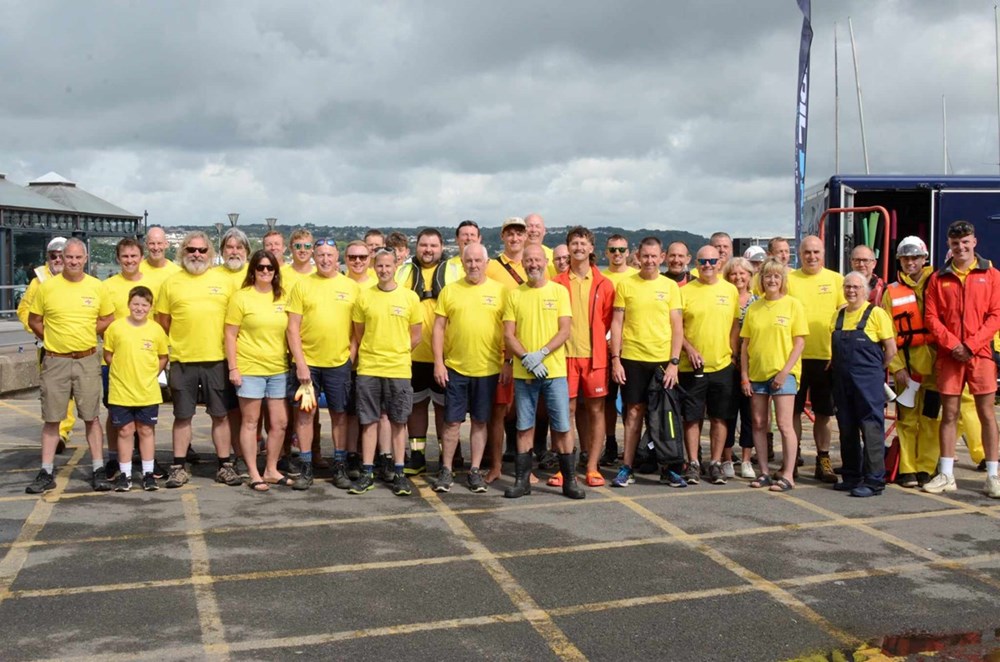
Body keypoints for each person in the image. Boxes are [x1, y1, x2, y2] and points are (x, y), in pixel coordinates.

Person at [25, 239, 116, 494]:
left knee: (91, 417)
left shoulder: (97, 287)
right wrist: (53, 338)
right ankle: (46, 471)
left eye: (78, 258)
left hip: (87, 359)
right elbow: (34, 320)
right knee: (52, 418)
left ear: (85, 259)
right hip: (56, 360)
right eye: (69, 257)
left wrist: (87, 331)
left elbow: (108, 317)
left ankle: (98, 468)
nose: (73, 262)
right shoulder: (47, 288)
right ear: (62, 259)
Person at [155, 231, 241, 488]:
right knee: (182, 416)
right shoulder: (171, 283)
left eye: (202, 251)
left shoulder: (224, 282)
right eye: (191, 250)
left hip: (217, 359)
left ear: (210, 254)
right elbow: (162, 323)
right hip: (183, 360)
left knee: (221, 415)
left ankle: (225, 465)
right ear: (182, 252)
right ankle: (179, 466)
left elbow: (234, 323)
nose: (196, 255)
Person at [923, 220, 1000, 497]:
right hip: (950, 355)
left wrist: (970, 345)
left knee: (987, 415)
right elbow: (931, 318)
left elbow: (996, 316)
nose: (961, 247)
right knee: (950, 414)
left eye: (965, 242)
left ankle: (993, 476)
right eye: (955, 243)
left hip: (980, 355)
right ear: (949, 245)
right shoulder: (937, 278)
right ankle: (946, 474)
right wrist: (954, 344)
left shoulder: (992, 275)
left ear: (974, 242)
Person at [502, 244, 581, 499]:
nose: (533, 264)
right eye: (528, 260)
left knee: (562, 426)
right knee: (524, 427)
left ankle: (570, 480)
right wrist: (526, 357)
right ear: (522, 263)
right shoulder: (515, 294)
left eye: (537, 259)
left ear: (544, 261)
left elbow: (564, 330)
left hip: (554, 372)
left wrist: (542, 354)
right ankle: (522, 481)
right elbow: (508, 334)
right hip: (525, 373)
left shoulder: (558, 292)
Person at [431, 243, 507, 493]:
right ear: (462, 263)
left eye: (478, 261)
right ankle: (446, 469)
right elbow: (439, 328)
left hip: (487, 370)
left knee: (480, 422)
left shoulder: (501, 292)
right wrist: (439, 363)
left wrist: (507, 362)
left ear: (486, 263)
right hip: (456, 369)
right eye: (469, 261)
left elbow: (509, 331)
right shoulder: (450, 291)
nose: (473, 265)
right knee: (451, 423)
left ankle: (474, 470)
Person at [609, 237, 684, 488]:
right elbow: (617, 324)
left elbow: (677, 327)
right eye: (646, 256)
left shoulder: (670, 287)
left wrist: (674, 362)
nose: (650, 261)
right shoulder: (626, 285)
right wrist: (616, 359)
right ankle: (627, 467)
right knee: (633, 414)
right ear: (638, 257)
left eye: (654, 256)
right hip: (632, 358)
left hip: (662, 360)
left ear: (661, 257)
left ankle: (668, 468)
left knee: (663, 416)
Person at [286, 237, 360, 490]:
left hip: (339, 363)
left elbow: (357, 331)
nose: (325, 259)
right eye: (321, 255)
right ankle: (306, 467)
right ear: (314, 258)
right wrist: (300, 363)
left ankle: (339, 466)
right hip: (309, 364)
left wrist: (349, 359)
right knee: (306, 415)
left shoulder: (351, 287)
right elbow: (292, 328)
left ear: (337, 257)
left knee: (339, 415)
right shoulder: (302, 286)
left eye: (330, 255)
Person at [348, 248, 423, 496]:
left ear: (395, 267)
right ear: (374, 266)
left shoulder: (410, 298)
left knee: (398, 422)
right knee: (368, 421)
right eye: (379, 266)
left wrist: (396, 351)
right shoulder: (364, 297)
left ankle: (399, 472)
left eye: (388, 266)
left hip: (399, 369)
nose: (383, 270)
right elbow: (359, 332)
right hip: (369, 367)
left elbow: (416, 336)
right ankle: (368, 471)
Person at [553, 227, 614, 488]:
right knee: (564, 411)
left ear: (591, 249)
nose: (578, 247)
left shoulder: (604, 283)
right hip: (564, 357)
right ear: (568, 248)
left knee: (596, 410)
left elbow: (607, 320)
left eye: (583, 243)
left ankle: (592, 466)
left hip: (594, 358)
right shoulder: (556, 283)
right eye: (574, 243)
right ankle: (563, 466)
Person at [225, 250, 291, 492]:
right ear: (252, 270)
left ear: (275, 272)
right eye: (261, 267)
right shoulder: (241, 297)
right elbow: (230, 335)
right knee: (251, 422)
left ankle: (271, 469)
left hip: (278, 369)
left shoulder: (283, 297)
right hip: (250, 367)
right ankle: (253, 472)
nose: (265, 271)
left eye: (270, 268)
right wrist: (234, 367)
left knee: (280, 423)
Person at [740, 258, 808, 492]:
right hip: (757, 374)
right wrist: (745, 375)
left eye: (776, 276)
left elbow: (799, 343)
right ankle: (765, 472)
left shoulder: (793, 305)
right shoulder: (754, 307)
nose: (771, 280)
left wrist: (784, 372)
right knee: (759, 423)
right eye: (767, 276)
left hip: (783, 374)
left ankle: (788, 474)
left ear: (782, 280)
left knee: (784, 424)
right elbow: (745, 345)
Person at [830, 272, 897, 497]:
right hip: (842, 382)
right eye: (847, 286)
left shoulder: (876, 314)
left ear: (865, 290)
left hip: (868, 382)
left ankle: (874, 480)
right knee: (846, 428)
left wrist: (875, 372)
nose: (851, 290)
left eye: (856, 287)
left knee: (871, 429)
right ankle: (851, 476)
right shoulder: (838, 315)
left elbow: (891, 350)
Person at [678, 245, 741, 485]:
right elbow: (676, 328)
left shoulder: (730, 290)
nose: (707, 265)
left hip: (722, 364)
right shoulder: (684, 291)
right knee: (692, 418)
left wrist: (733, 353)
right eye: (703, 261)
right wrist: (689, 349)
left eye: (712, 261)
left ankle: (714, 462)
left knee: (720, 417)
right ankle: (693, 462)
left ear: (719, 262)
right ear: (695, 263)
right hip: (691, 367)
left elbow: (735, 324)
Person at [787, 235, 845, 483]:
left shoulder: (836, 280)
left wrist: (837, 353)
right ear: (800, 254)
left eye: (816, 252)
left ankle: (823, 459)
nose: (812, 256)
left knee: (824, 414)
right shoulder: (789, 279)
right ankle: (793, 457)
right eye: (807, 252)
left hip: (825, 358)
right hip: (794, 358)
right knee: (793, 413)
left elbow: (844, 319)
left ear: (823, 253)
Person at [393, 228, 451, 475]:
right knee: (415, 407)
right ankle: (416, 456)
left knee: (443, 408)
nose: (428, 250)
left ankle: (445, 456)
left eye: (433, 246)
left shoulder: (454, 271)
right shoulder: (403, 271)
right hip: (412, 355)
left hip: (445, 355)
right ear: (417, 247)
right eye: (424, 245)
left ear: (441, 248)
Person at [103, 285, 169, 491]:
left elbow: (162, 357)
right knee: (124, 431)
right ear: (129, 304)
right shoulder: (115, 328)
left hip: (147, 390)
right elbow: (108, 355)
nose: (139, 308)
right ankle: (125, 474)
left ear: (150, 307)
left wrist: (149, 374)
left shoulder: (156, 329)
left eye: (144, 305)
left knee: (146, 430)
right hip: (121, 390)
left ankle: (148, 473)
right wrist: (124, 371)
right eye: (135, 304)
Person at [17, 236, 75, 453]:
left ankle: (62, 431)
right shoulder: (38, 282)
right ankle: (54, 427)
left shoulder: (78, 278)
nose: (58, 259)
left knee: (69, 391)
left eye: (63, 255)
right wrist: (40, 332)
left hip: (73, 344)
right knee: (51, 390)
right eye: (54, 256)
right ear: (47, 258)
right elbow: (24, 311)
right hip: (47, 345)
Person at [101, 238, 153, 477]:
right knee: (116, 414)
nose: (130, 260)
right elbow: (102, 321)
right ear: (118, 259)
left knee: (145, 420)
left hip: (144, 361)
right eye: (125, 256)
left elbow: (159, 320)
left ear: (141, 257)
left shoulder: (153, 283)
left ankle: (145, 461)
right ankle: (115, 459)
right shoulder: (107, 286)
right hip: (114, 361)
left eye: (134, 256)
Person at [484, 217, 529, 481]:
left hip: (531, 350)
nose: (514, 238)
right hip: (502, 350)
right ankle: (496, 466)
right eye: (510, 234)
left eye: (519, 234)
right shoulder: (491, 267)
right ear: (503, 237)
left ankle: (526, 468)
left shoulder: (536, 265)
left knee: (526, 411)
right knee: (499, 411)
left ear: (526, 237)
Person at [600, 234, 638, 466]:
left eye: (621, 250)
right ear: (606, 252)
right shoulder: (601, 278)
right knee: (607, 400)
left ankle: (631, 447)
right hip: (605, 347)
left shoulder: (636, 277)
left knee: (632, 402)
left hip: (632, 348)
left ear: (628, 252)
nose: (617, 254)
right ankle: (611, 442)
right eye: (613, 250)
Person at [723, 256, 758, 479]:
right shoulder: (723, 297)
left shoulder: (757, 301)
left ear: (750, 276)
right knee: (725, 413)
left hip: (752, 364)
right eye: (733, 273)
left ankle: (746, 460)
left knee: (750, 414)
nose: (738, 277)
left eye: (742, 273)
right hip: (726, 362)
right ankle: (726, 459)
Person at [140, 226, 181, 293]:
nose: (156, 248)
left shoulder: (177, 272)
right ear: (146, 245)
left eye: (159, 243)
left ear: (166, 244)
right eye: (152, 243)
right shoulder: (136, 270)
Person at [524, 212, 556, 276]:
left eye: (537, 226)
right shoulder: (513, 256)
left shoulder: (554, 256)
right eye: (529, 226)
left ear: (544, 231)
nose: (533, 230)